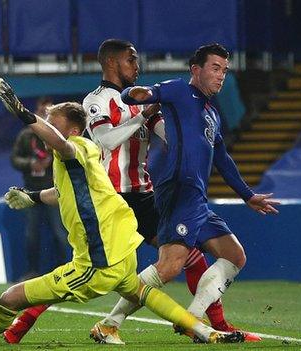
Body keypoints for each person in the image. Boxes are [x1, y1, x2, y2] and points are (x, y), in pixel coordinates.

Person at [0, 79, 245, 346]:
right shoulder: (81, 159)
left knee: (10, 298)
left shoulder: (75, 148)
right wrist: (33, 197)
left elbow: (61, 144)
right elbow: (62, 192)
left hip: (97, 261)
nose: (49, 127)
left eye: (54, 123)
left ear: (73, 131)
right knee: (142, 292)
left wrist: (24, 114)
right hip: (121, 250)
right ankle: (205, 331)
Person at [2, 39, 257, 345]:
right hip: (110, 198)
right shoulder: (95, 101)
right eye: (131, 61)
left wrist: (191, 134)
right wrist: (142, 116)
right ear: (112, 63)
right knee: (85, 275)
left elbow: (170, 135)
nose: (137, 67)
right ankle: (24, 323)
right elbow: (107, 141)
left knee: (186, 257)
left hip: (143, 194)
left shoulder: (143, 100)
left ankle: (213, 323)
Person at [110, 43, 281, 339]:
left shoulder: (212, 113)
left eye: (224, 71)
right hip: (178, 190)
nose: (221, 76)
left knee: (234, 255)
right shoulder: (178, 90)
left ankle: (192, 318)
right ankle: (110, 323)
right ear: (196, 70)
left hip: (196, 198)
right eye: (215, 68)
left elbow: (222, 159)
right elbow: (136, 95)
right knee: (168, 267)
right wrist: (134, 95)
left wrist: (247, 195)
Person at [10, 97, 69, 278]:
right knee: (31, 235)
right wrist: (30, 164)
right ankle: (32, 271)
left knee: (61, 234)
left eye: (48, 111)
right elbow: (14, 158)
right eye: (42, 110)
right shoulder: (26, 135)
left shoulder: (59, 137)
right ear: (36, 111)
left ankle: (65, 272)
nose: (44, 113)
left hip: (54, 191)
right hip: (32, 191)